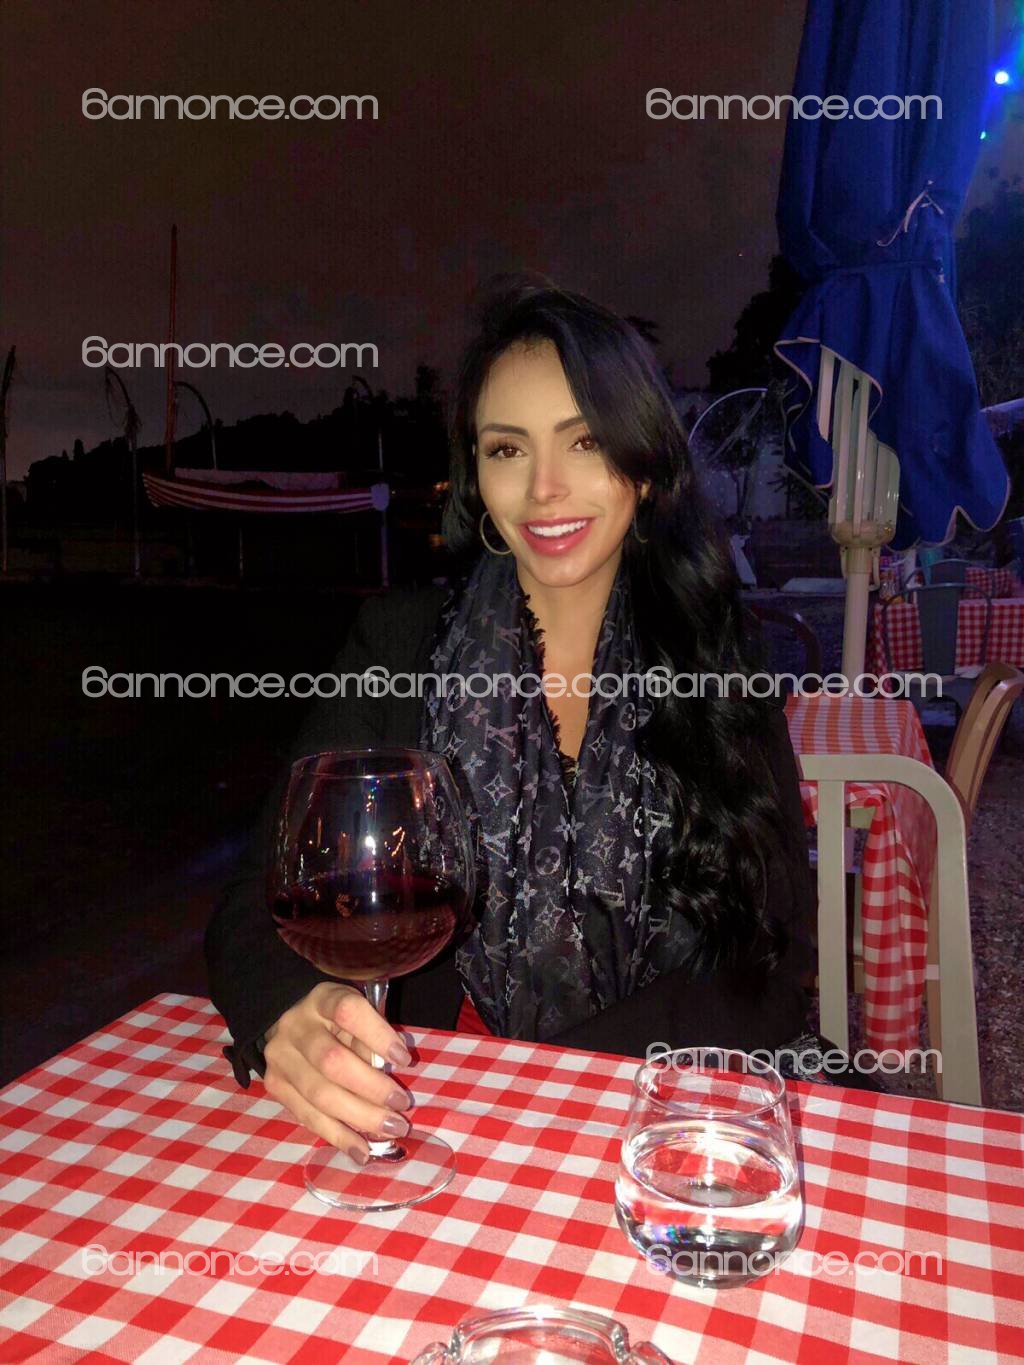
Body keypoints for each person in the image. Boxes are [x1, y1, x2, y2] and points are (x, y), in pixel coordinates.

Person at [205, 277, 819, 1165]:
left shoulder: (717, 652)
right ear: (475, 473)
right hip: (436, 1106)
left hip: (672, 1108)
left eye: (586, 441)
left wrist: (542, 1085)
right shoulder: (400, 642)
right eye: (507, 448)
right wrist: (285, 1010)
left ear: (645, 465)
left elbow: (771, 955)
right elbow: (257, 900)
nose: (544, 489)